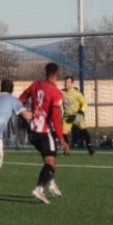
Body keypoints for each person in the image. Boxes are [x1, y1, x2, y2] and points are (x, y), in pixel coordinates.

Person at [19, 62, 70, 204]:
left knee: (48, 160)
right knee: (51, 163)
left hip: (32, 131)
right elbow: (55, 117)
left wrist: (22, 113)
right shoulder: (56, 93)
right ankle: (39, 189)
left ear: (46, 72)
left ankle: (52, 184)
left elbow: (20, 99)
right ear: (57, 74)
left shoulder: (35, 84)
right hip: (45, 131)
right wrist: (62, 139)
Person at [62, 75, 95, 156]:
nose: (67, 84)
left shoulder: (77, 93)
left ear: (72, 83)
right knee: (63, 133)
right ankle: (67, 150)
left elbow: (84, 103)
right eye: (66, 82)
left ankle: (90, 149)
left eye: (68, 82)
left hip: (77, 115)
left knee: (84, 131)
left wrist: (81, 111)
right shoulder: (61, 92)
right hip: (67, 116)